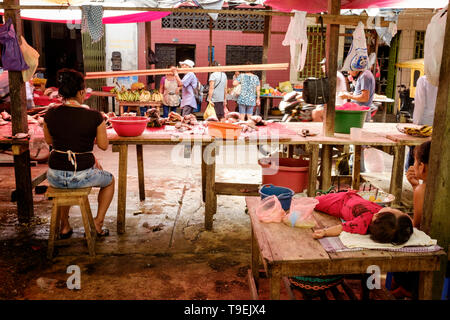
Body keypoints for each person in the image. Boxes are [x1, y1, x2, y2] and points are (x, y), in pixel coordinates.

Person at [43, 69, 114, 238]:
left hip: (55, 176)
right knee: (109, 180)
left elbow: (49, 141)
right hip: (81, 175)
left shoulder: (50, 113)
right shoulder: (94, 116)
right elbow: (104, 145)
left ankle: (65, 226)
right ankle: (97, 223)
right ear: (81, 92)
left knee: (61, 185)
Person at [391, 141, 431, 299]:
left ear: (422, 167)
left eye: (414, 161)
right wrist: (415, 186)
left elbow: (417, 227)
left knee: (401, 237)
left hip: (433, 248)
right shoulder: (425, 188)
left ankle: (406, 287)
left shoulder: (422, 190)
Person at [312, 191, 413, 245]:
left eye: (396, 211)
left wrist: (325, 232)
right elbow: (405, 222)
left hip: (339, 202)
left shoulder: (362, 223)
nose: (391, 208)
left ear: (377, 216)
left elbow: (342, 227)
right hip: (354, 196)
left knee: (314, 202)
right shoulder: (384, 218)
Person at [405, 75, 437, 169]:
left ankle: (412, 179)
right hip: (440, 126)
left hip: (424, 126)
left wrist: (416, 126)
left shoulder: (424, 80)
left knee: (416, 158)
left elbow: (420, 105)